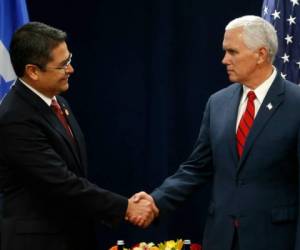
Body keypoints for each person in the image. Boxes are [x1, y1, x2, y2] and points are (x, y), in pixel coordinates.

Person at [131, 15, 300, 250]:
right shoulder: (218, 102)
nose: (224, 60)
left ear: (261, 54)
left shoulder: (296, 103)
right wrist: (156, 200)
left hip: (274, 239)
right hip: (221, 238)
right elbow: (197, 167)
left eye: (232, 52)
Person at [0, 22, 158, 250]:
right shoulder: (15, 117)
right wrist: (126, 207)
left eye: (69, 59)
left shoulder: (57, 102)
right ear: (33, 71)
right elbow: (60, 183)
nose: (71, 69)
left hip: (72, 236)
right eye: (63, 65)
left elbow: (74, 174)